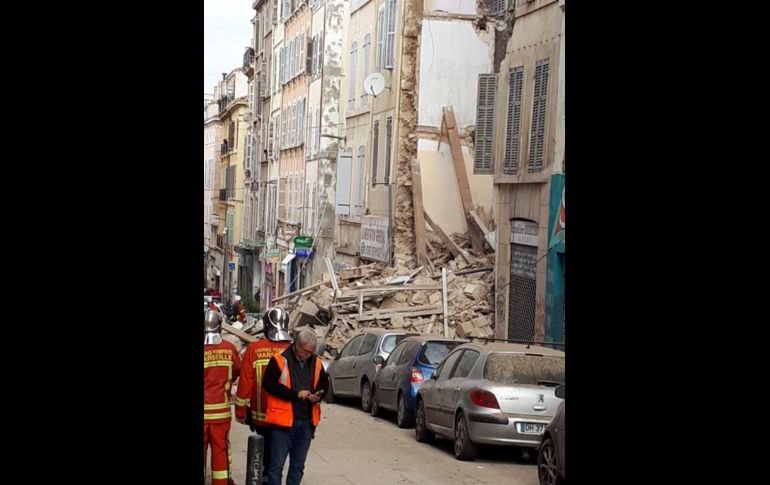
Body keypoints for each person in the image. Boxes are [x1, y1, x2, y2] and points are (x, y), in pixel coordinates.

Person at [262, 328, 329, 485]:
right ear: (296, 345)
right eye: (306, 351)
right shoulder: (279, 360)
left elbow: (324, 384)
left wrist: (319, 395)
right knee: (276, 466)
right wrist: (295, 394)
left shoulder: (316, 362)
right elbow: (268, 384)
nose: (308, 355)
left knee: (298, 466)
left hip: (306, 422)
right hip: (283, 424)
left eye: (311, 352)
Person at [234, 308, 293, 481]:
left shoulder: (254, 349)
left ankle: (263, 477)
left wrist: (240, 412)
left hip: (260, 416)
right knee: (279, 455)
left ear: (267, 326)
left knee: (261, 451)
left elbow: (245, 383)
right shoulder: (293, 350)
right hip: (286, 416)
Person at [204, 309, 241, 485]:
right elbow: (236, 371)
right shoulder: (229, 348)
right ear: (219, 326)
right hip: (221, 413)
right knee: (220, 450)